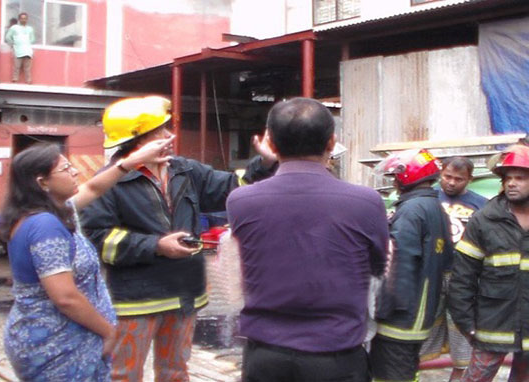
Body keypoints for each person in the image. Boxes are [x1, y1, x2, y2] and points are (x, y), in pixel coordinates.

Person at [81, 95, 277, 382]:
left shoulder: (184, 169)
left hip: (184, 294)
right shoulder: (111, 181)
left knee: (175, 373)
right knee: (123, 374)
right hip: (136, 300)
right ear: (137, 140)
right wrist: (156, 246)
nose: (169, 136)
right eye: (160, 131)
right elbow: (97, 239)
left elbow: (235, 187)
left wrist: (264, 162)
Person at [226, 98, 388, 381]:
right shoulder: (366, 202)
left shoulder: (241, 201)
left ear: (272, 145)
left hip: (266, 357)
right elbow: (377, 266)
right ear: (331, 142)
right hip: (336, 356)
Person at [1, 138, 173, 381]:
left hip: (66, 338)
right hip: (57, 344)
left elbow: (93, 188)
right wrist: (108, 332)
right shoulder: (45, 224)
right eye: (66, 169)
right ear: (42, 182)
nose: (76, 172)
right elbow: (65, 297)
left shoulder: (55, 210)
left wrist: (133, 161)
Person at [370, 149, 454, 382]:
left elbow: (399, 264)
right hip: (420, 313)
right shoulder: (435, 208)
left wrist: (382, 309)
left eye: (396, 176)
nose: (395, 182)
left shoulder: (410, 211)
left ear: (408, 176)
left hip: (400, 320)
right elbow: (447, 259)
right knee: (407, 371)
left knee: (390, 375)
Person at [448, 144, 529, 381]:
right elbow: (463, 276)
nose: (512, 183)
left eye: (520, 178)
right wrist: (466, 323)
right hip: (492, 326)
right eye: (508, 178)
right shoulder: (485, 219)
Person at [420, 156, 487, 381]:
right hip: (431, 274)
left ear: (469, 179)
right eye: (447, 176)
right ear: (440, 174)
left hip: (464, 277)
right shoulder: (427, 200)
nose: (451, 182)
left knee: (463, 332)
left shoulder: (482, 204)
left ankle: (459, 376)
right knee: (422, 329)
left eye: (459, 179)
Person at [5, 12, 34, 83]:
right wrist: (13, 43)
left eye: (25, 19)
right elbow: (8, 37)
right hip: (18, 50)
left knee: (27, 68)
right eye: (22, 18)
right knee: (16, 66)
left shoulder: (30, 29)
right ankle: (15, 79)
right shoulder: (14, 28)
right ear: (19, 19)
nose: (23, 20)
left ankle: (28, 80)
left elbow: (32, 39)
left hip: (27, 51)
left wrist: (26, 43)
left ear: (27, 20)